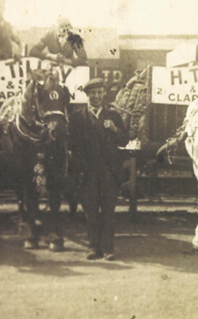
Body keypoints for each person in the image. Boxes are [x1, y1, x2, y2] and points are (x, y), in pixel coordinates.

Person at [70, 78, 129, 261]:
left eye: (99, 93)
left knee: (109, 212)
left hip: (109, 172)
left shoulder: (114, 117)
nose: (96, 96)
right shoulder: (77, 117)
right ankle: (93, 247)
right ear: (87, 95)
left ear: (104, 94)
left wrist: (114, 129)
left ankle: (108, 248)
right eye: (92, 93)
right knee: (91, 212)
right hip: (87, 173)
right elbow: (71, 145)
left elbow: (124, 140)